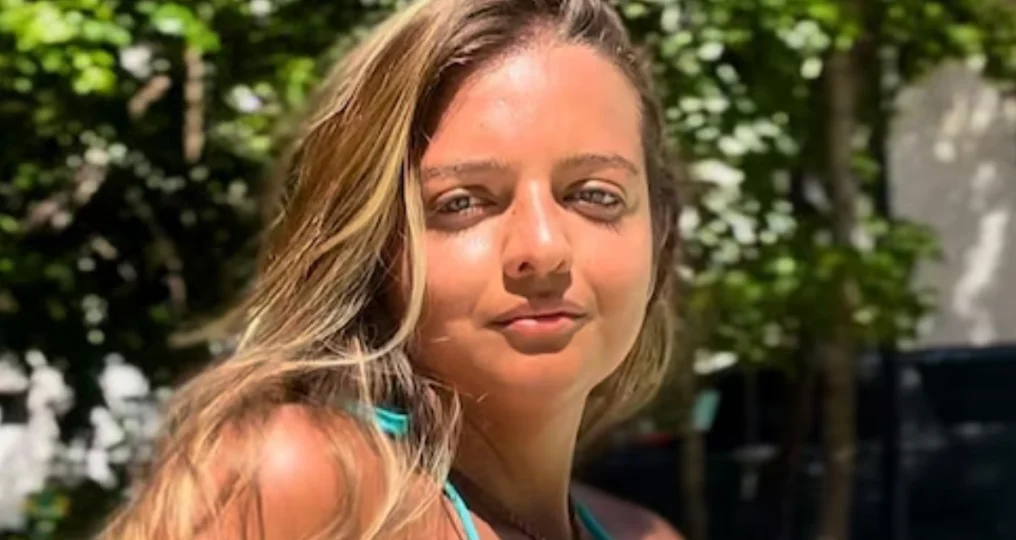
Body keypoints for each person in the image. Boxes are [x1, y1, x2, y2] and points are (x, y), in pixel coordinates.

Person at [102, 0, 682, 537]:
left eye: (595, 195)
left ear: (659, 232)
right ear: (377, 247)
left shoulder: (645, 533)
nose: (544, 246)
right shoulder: (303, 487)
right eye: (462, 202)